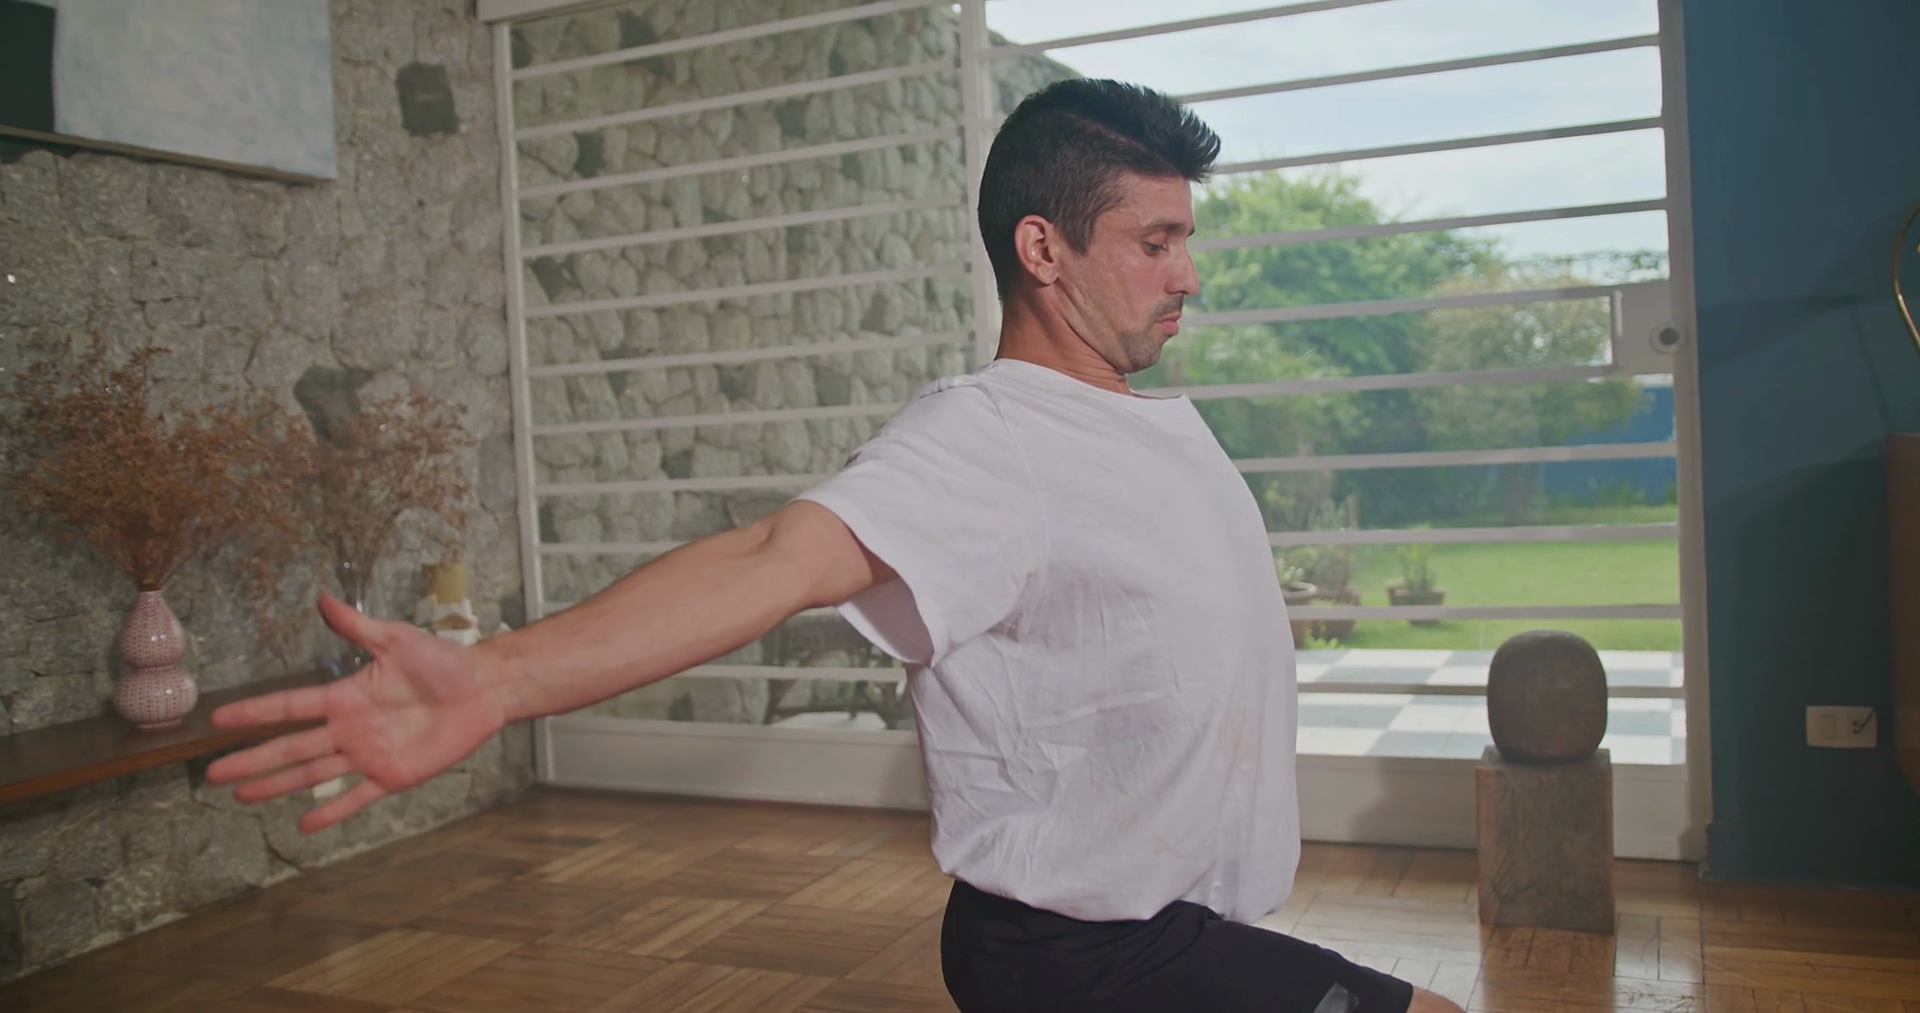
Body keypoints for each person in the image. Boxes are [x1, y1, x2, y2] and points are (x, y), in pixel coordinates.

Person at [208, 79, 1466, 1013]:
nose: (1188, 275)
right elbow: (775, 557)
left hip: (1166, 914)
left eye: (1186, 239)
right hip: (1082, 949)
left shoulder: (1132, 424)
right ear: (1043, 248)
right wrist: (498, 677)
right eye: (1155, 242)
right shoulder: (989, 434)